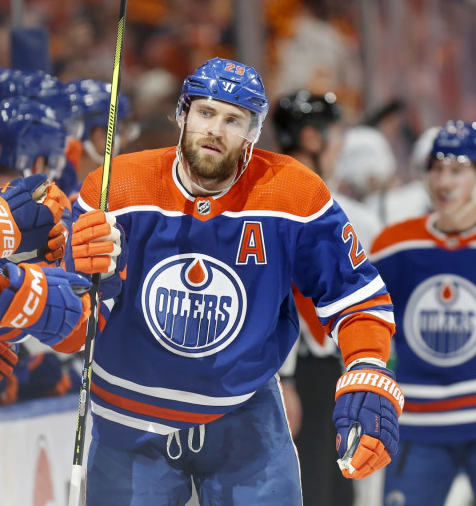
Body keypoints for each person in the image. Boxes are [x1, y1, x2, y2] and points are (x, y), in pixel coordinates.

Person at [68, 57, 403, 505]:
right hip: (131, 420)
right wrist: (86, 275)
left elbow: (354, 293)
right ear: (182, 114)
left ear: (253, 132)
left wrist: (367, 365)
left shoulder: (294, 193)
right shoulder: (114, 187)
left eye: (233, 119)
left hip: (244, 414)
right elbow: (72, 310)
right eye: (206, 113)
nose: (215, 129)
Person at [271, 90, 384, 506]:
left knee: (339, 488)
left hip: (327, 369)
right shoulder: (281, 203)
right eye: (335, 134)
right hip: (300, 372)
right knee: (314, 487)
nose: (341, 145)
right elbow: (274, 295)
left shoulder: (322, 202)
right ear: (313, 140)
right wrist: (283, 379)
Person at [371, 120, 476, 506]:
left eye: (458, 170)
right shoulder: (395, 244)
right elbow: (364, 323)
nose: (443, 182)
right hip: (417, 425)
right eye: (436, 168)